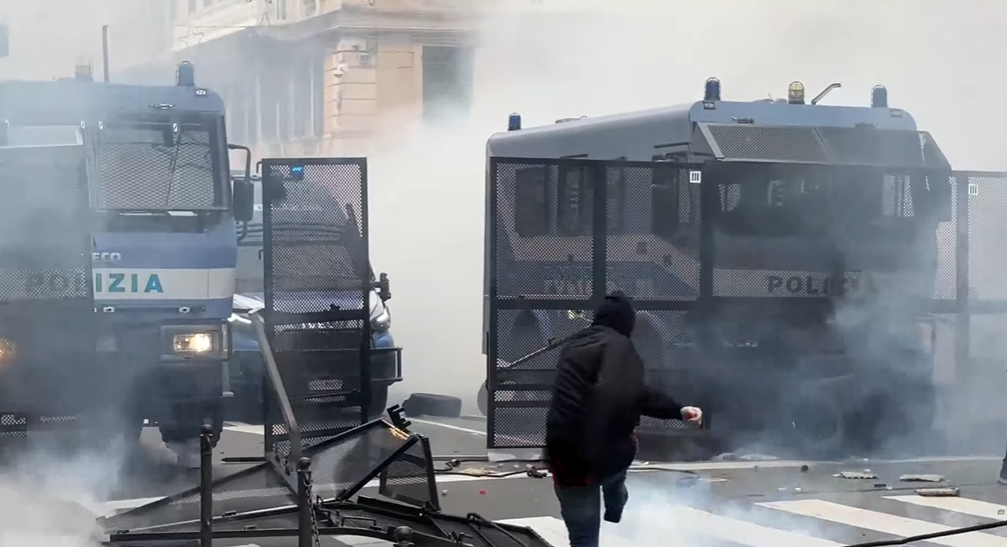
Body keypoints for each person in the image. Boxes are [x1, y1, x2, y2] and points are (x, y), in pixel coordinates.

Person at [544, 291, 702, 547]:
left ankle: (614, 496)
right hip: (601, 453)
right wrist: (678, 410)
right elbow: (632, 394)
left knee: (582, 535)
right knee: (623, 451)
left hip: (563, 452)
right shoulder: (621, 347)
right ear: (628, 323)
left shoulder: (573, 345)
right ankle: (615, 500)